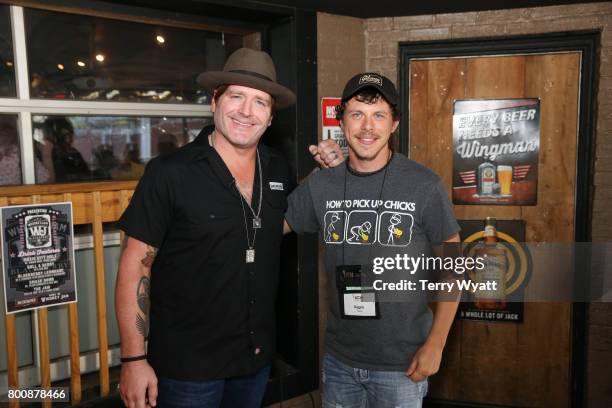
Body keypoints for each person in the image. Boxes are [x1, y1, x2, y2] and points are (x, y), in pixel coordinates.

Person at [115, 47, 297, 408]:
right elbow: (136, 264)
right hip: (188, 368)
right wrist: (133, 361)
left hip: (254, 359)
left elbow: (275, 226)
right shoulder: (170, 173)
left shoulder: (277, 169)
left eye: (260, 102)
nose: (247, 111)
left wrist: (335, 171)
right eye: (237, 97)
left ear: (271, 117)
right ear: (215, 101)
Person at [283, 72, 461, 408]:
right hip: (339, 363)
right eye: (357, 114)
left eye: (379, 115)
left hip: (403, 366)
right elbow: (264, 228)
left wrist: (436, 344)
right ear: (342, 122)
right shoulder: (323, 185)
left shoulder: (424, 184)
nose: (368, 127)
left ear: (394, 124)